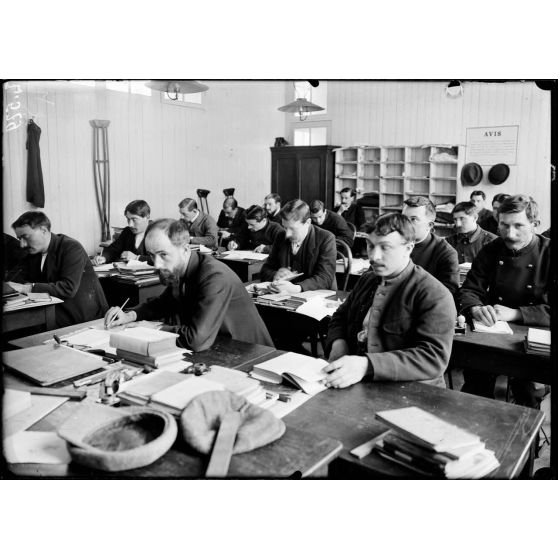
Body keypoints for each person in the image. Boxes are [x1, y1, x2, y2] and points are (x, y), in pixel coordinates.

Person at [322, 213, 456, 389]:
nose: (374, 256)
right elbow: (340, 316)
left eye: (385, 247)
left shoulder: (434, 293)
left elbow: (432, 358)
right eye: (370, 246)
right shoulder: (368, 279)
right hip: (361, 383)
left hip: (414, 393)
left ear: (409, 248)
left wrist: (367, 365)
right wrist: (339, 343)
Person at [104, 219, 273, 352]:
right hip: (219, 346)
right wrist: (130, 315)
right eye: (151, 255)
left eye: (163, 254)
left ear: (185, 250)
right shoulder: (181, 269)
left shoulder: (214, 277)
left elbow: (196, 339)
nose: (156, 264)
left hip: (250, 353)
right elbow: (164, 303)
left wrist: (154, 328)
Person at [457, 195, 550, 408]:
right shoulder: (491, 250)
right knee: (475, 392)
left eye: (519, 226)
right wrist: (476, 308)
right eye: (504, 225)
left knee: (527, 399)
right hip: (491, 335)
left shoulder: (549, 254)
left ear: (534, 225)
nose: (510, 234)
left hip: (533, 341)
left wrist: (516, 314)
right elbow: (469, 289)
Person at [8, 211, 108, 328]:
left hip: (82, 316)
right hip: (54, 309)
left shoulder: (71, 247)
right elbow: (15, 279)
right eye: (19, 238)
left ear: (43, 231)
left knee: (22, 326)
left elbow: (68, 288)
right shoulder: (32, 252)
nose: (22, 244)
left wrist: (27, 288)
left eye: (26, 237)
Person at [260, 199, 337, 293]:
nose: (287, 234)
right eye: (285, 227)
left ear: (308, 223)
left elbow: (325, 277)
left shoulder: (326, 238)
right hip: (284, 296)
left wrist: (297, 288)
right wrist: (276, 274)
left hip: (318, 298)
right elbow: (265, 269)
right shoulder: (281, 236)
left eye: (292, 229)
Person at [401, 196, 459, 294]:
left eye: (413, 219)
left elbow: (447, 294)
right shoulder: (392, 243)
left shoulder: (446, 253)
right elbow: (371, 277)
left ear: (430, 225)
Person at [92, 200, 152, 265]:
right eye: (128, 219)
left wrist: (137, 258)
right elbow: (113, 249)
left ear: (147, 217)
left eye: (134, 219)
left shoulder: (158, 232)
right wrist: (104, 257)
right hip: (128, 273)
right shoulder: (127, 231)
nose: (130, 224)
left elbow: (162, 259)